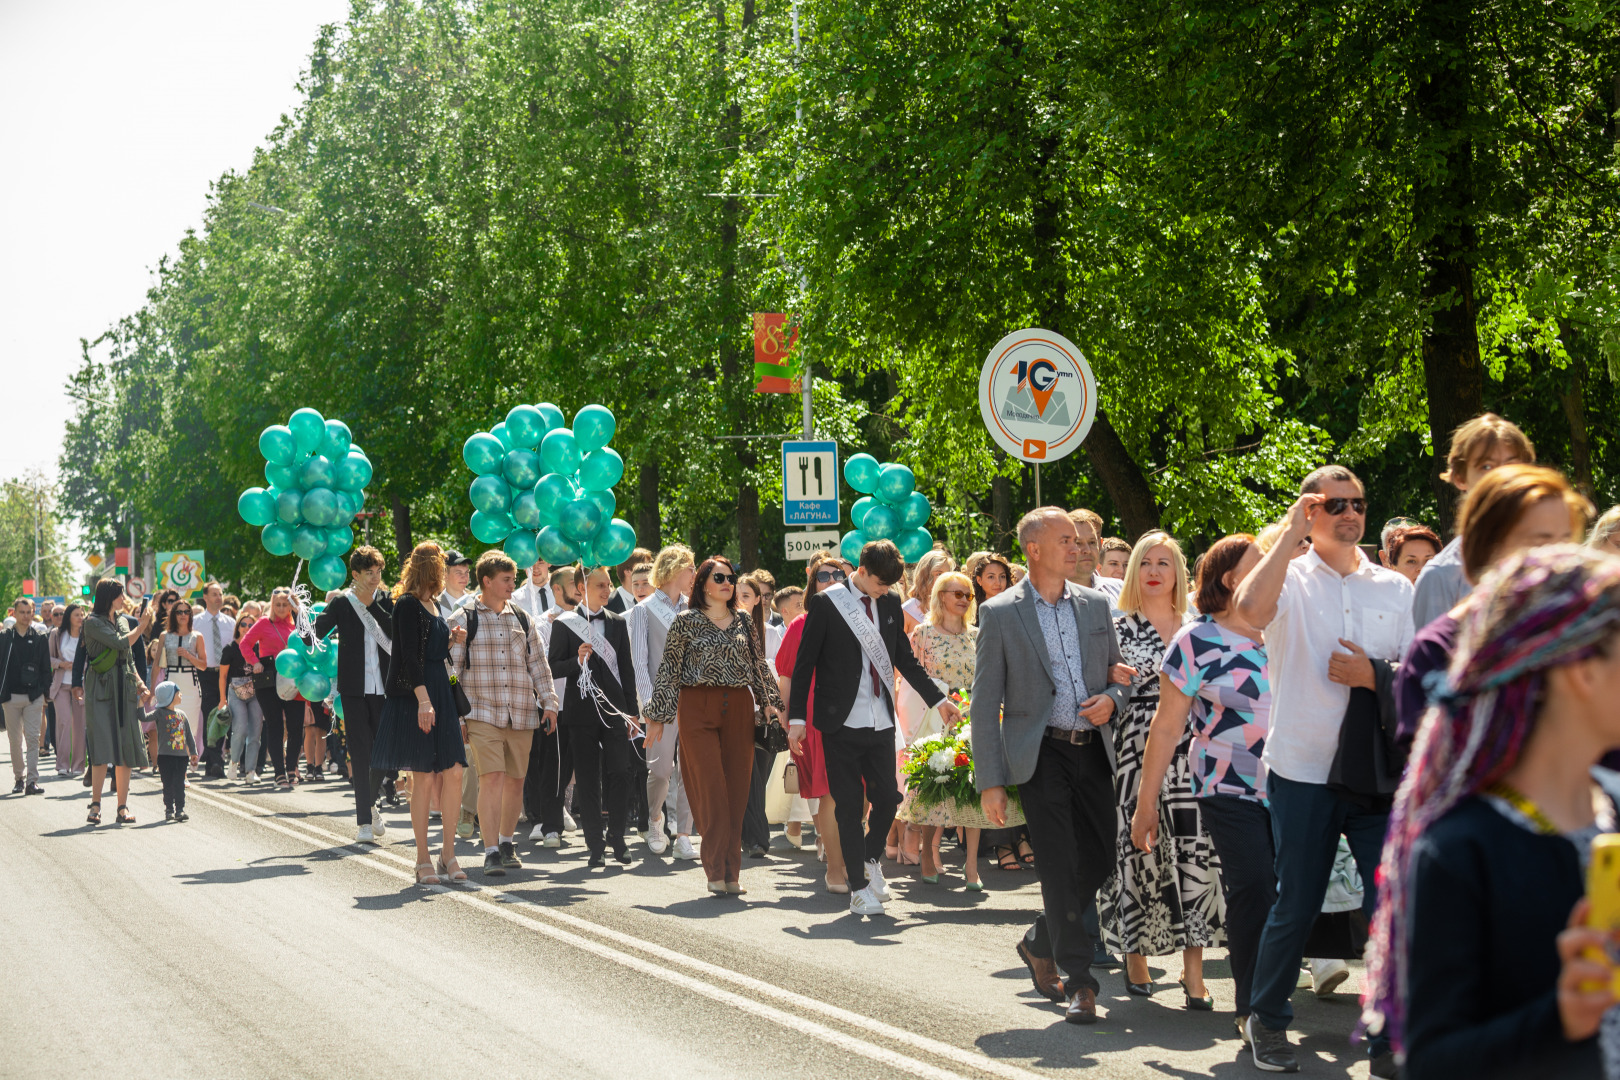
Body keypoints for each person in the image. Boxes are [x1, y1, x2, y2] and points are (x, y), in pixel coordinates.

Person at [1363, 545, 1620, 1080]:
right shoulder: (1462, 849)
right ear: (1580, 670)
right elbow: (1434, 1058)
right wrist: (1561, 1016)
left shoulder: (1612, 810)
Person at [1231, 466, 1414, 1073]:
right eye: (1333, 503)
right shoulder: (1289, 577)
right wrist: (1289, 533)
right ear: (1311, 511)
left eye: (1357, 502)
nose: (1349, 512)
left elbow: (1415, 675)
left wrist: (1374, 677)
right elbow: (1250, 611)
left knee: (1392, 904)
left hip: (1374, 774)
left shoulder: (1393, 587)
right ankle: (1268, 1019)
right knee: (1298, 901)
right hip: (1303, 769)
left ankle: (1389, 1033)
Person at [973, 508, 1132, 1023]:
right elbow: (983, 703)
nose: (1078, 547)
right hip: (1039, 753)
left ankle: (1040, 941)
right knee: (1060, 863)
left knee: (1102, 858)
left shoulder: (1093, 605)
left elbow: (1119, 678)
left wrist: (1114, 698)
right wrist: (991, 781)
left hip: (1092, 748)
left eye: (1080, 540)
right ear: (1034, 549)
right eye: (1065, 540)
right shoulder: (999, 613)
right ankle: (1080, 983)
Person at [1129, 534, 1271, 1037]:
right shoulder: (1198, 640)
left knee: (1285, 895)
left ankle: (1269, 998)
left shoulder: (1292, 630)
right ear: (1233, 579)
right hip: (1226, 786)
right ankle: (1256, 1010)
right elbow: (1167, 728)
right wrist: (1145, 806)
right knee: (1252, 886)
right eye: (1265, 564)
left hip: (1298, 786)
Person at [787, 540, 960, 915]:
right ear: (861, 571)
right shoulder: (828, 603)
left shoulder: (891, 602)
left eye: (890, 586)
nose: (884, 590)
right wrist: (797, 720)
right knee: (848, 807)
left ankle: (868, 859)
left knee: (887, 800)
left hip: (881, 718)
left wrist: (938, 700)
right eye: (880, 583)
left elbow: (904, 658)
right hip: (840, 721)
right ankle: (859, 888)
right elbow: (804, 665)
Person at [1099, 531, 1224, 1005]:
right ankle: (1136, 954)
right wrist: (1110, 677)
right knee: (1140, 849)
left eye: (1164, 563)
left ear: (1178, 572)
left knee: (1196, 852)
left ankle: (1194, 971)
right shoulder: (1115, 625)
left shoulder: (1198, 624)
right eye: (1145, 562)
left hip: (1196, 746)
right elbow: (1099, 687)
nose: (1154, 570)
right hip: (1136, 747)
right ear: (1134, 570)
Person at [1394, 465, 1588, 750]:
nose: (1557, 556)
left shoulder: (1591, 629)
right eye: (1541, 540)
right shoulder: (1437, 649)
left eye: (1566, 540)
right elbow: (1435, 764)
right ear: (1490, 545)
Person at [648, 555, 786, 893]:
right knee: (711, 790)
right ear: (704, 585)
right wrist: (657, 718)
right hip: (697, 707)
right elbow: (668, 672)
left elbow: (758, 665)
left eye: (731, 578)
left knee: (737, 792)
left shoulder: (743, 620)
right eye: (720, 578)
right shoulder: (686, 621)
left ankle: (731, 873)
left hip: (739, 707)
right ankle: (714, 870)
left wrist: (771, 704)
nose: (728, 584)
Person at [448, 550, 560, 875]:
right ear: (487, 581)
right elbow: (451, 672)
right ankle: (491, 851)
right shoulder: (462, 618)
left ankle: (508, 842)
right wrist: (457, 717)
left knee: (516, 781)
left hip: (522, 712)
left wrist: (549, 703)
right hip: (481, 713)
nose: (513, 585)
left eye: (513, 579)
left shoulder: (523, 619)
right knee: (491, 777)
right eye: (506, 580)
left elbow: (539, 665)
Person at [373, 542, 469, 885]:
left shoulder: (434, 605)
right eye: (443, 567)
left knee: (454, 771)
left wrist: (451, 641)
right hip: (421, 696)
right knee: (424, 777)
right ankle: (422, 859)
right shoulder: (408, 606)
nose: (446, 574)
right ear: (432, 569)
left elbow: (431, 651)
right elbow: (409, 658)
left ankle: (448, 854)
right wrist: (424, 702)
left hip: (441, 690)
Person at [549, 564, 641, 868]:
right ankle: (595, 844)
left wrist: (633, 713)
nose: (607, 589)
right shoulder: (565, 624)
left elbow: (626, 669)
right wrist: (577, 661)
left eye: (609, 584)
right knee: (588, 780)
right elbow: (553, 667)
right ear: (581, 588)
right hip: (581, 712)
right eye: (600, 584)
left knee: (620, 772)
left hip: (615, 711)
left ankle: (618, 837)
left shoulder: (616, 622)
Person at [775, 552, 852, 892]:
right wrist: (789, 720)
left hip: (857, 714)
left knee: (857, 794)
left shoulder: (861, 620)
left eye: (839, 575)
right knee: (828, 791)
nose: (833, 580)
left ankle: (844, 853)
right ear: (812, 584)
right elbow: (787, 677)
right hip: (814, 718)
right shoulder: (800, 625)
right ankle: (836, 866)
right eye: (824, 575)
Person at [1413, 413, 1535, 628]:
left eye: (1511, 464)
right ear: (1460, 478)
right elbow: (1430, 660)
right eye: (1486, 467)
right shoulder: (1442, 575)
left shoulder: (1549, 557)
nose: (1501, 476)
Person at [903, 569, 982, 888]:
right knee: (935, 788)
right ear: (940, 596)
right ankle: (926, 855)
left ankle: (972, 866)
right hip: (935, 719)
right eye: (957, 594)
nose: (964, 600)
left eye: (968, 595)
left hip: (972, 718)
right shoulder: (922, 633)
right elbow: (909, 679)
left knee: (974, 790)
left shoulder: (976, 635)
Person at [314, 545, 397, 841]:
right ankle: (364, 818)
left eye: (378, 572)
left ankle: (371, 802)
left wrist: (373, 605)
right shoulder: (341, 603)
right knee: (360, 752)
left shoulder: (387, 599)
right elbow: (316, 632)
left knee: (386, 753)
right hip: (353, 690)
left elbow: (393, 632)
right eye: (369, 573)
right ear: (356, 574)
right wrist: (302, 620)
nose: (375, 578)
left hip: (385, 689)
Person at [628, 545, 697, 858]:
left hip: (694, 701)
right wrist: (651, 708)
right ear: (675, 570)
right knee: (659, 770)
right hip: (661, 703)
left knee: (691, 770)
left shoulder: (695, 608)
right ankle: (655, 818)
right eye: (691, 569)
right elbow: (639, 662)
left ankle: (684, 833)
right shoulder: (643, 610)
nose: (695, 575)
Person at [81, 579, 154, 825]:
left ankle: (122, 807)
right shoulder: (91, 622)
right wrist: (142, 625)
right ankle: (95, 805)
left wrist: (141, 684)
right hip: (101, 689)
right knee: (101, 749)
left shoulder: (122, 620)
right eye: (120, 595)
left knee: (125, 748)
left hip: (125, 687)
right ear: (108, 597)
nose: (124, 600)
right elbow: (121, 643)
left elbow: (129, 657)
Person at [529, 564, 582, 845]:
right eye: (575, 582)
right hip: (556, 705)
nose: (580, 588)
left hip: (588, 706)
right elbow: (545, 664)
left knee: (577, 765)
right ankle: (548, 822)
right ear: (557, 588)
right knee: (554, 765)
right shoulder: (542, 623)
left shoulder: (589, 618)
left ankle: (557, 815)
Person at [738, 569, 782, 859]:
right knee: (747, 774)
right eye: (735, 595)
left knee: (760, 776)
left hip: (766, 713)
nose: (738, 600)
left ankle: (751, 834)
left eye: (745, 595)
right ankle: (757, 838)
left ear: (758, 600)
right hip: (738, 711)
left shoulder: (772, 633)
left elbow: (779, 673)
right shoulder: (728, 629)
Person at [240, 589, 302, 789]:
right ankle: (279, 772)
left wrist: (299, 611)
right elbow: (245, 644)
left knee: (296, 728)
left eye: (285, 604)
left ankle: (292, 767)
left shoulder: (298, 625)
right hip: (268, 680)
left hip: (294, 680)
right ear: (272, 605)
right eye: (278, 605)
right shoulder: (264, 623)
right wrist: (254, 661)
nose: (282, 608)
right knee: (274, 726)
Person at [2, 597, 51, 794]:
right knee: (15, 741)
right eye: (21, 612)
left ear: (33, 612)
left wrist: (43, 692)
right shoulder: (5, 637)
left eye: (29, 612)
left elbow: (46, 669)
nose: (26, 616)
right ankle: (19, 778)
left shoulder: (40, 638)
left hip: (34, 696)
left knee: (33, 738)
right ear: (14, 613)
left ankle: (32, 781)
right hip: (11, 697)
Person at [162, 602, 207, 778]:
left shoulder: (197, 636)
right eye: (179, 612)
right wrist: (151, 690)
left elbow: (203, 665)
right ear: (174, 614)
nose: (183, 615)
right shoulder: (165, 636)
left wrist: (189, 656)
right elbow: (158, 664)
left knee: (190, 727)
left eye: (186, 612)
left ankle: (183, 770)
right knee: (172, 727)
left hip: (190, 684)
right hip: (171, 680)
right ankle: (177, 770)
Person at [217, 613, 263, 783]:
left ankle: (250, 771)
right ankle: (234, 763)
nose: (246, 628)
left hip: (256, 692)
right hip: (235, 691)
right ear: (237, 627)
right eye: (243, 624)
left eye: (251, 625)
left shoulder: (259, 647)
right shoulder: (230, 648)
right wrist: (223, 699)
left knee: (255, 733)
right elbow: (222, 676)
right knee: (240, 729)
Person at [193, 582, 233, 777]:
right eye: (214, 594)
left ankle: (214, 760)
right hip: (205, 673)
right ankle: (214, 760)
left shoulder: (231, 623)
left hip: (226, 674)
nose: (219, 597)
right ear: (205, 597)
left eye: (220, 594)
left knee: (224, 715)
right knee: (210, 714)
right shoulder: (195, 622)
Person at [148, 681, 196, 821]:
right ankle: (169, 809)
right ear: (169, 696)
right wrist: (140, 704)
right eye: (177, 692)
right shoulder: (159, 713)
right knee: (167, 784)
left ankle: (180, 810)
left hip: (181, 757)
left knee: (179, 784)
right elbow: (143, 717)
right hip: (164, 757)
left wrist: (193, 752)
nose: (180, 695)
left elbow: (188, 736)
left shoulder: (182, 714)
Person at [49, 602, 87, 777]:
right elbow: (48, 658)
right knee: (64, 722)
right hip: (61, 686)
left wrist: (81, 666)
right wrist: (61, 664)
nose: (80, 617)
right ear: (69, 617)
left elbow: (92, 658)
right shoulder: (57, 635)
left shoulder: (87, 636)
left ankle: (79, 765)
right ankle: (62, 764)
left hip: (80, 686)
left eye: (82, 614)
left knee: (80, 725)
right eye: (77, 614)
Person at [1069, 508, 1126, 608]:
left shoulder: (1119, 589)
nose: (1087, 550)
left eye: (1092, 542)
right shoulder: (1048, 598)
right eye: (1078, 543)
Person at [903, 549, 956, 633]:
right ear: (924, 575)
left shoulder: (953, 608)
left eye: (947, 574)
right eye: (939, 574)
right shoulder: (908, 610)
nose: (945, 579)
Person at [606, 548, 653, 614]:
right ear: (628, 571)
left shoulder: (652, 598)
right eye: (643, 567)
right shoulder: (609, 604)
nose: (649, 571)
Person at [512, 557, 554, 622]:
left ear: (549, 563)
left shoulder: (563, 592)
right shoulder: (515, 599)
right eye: (530, 563)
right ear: (524, 566)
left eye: (540, 562)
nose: (535, 569)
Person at [437, 550, 476, 619]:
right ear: (445, 575)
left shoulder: (475, 601)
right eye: (459, 573)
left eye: (466, 572)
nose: (464, 577)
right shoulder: (436, 607)